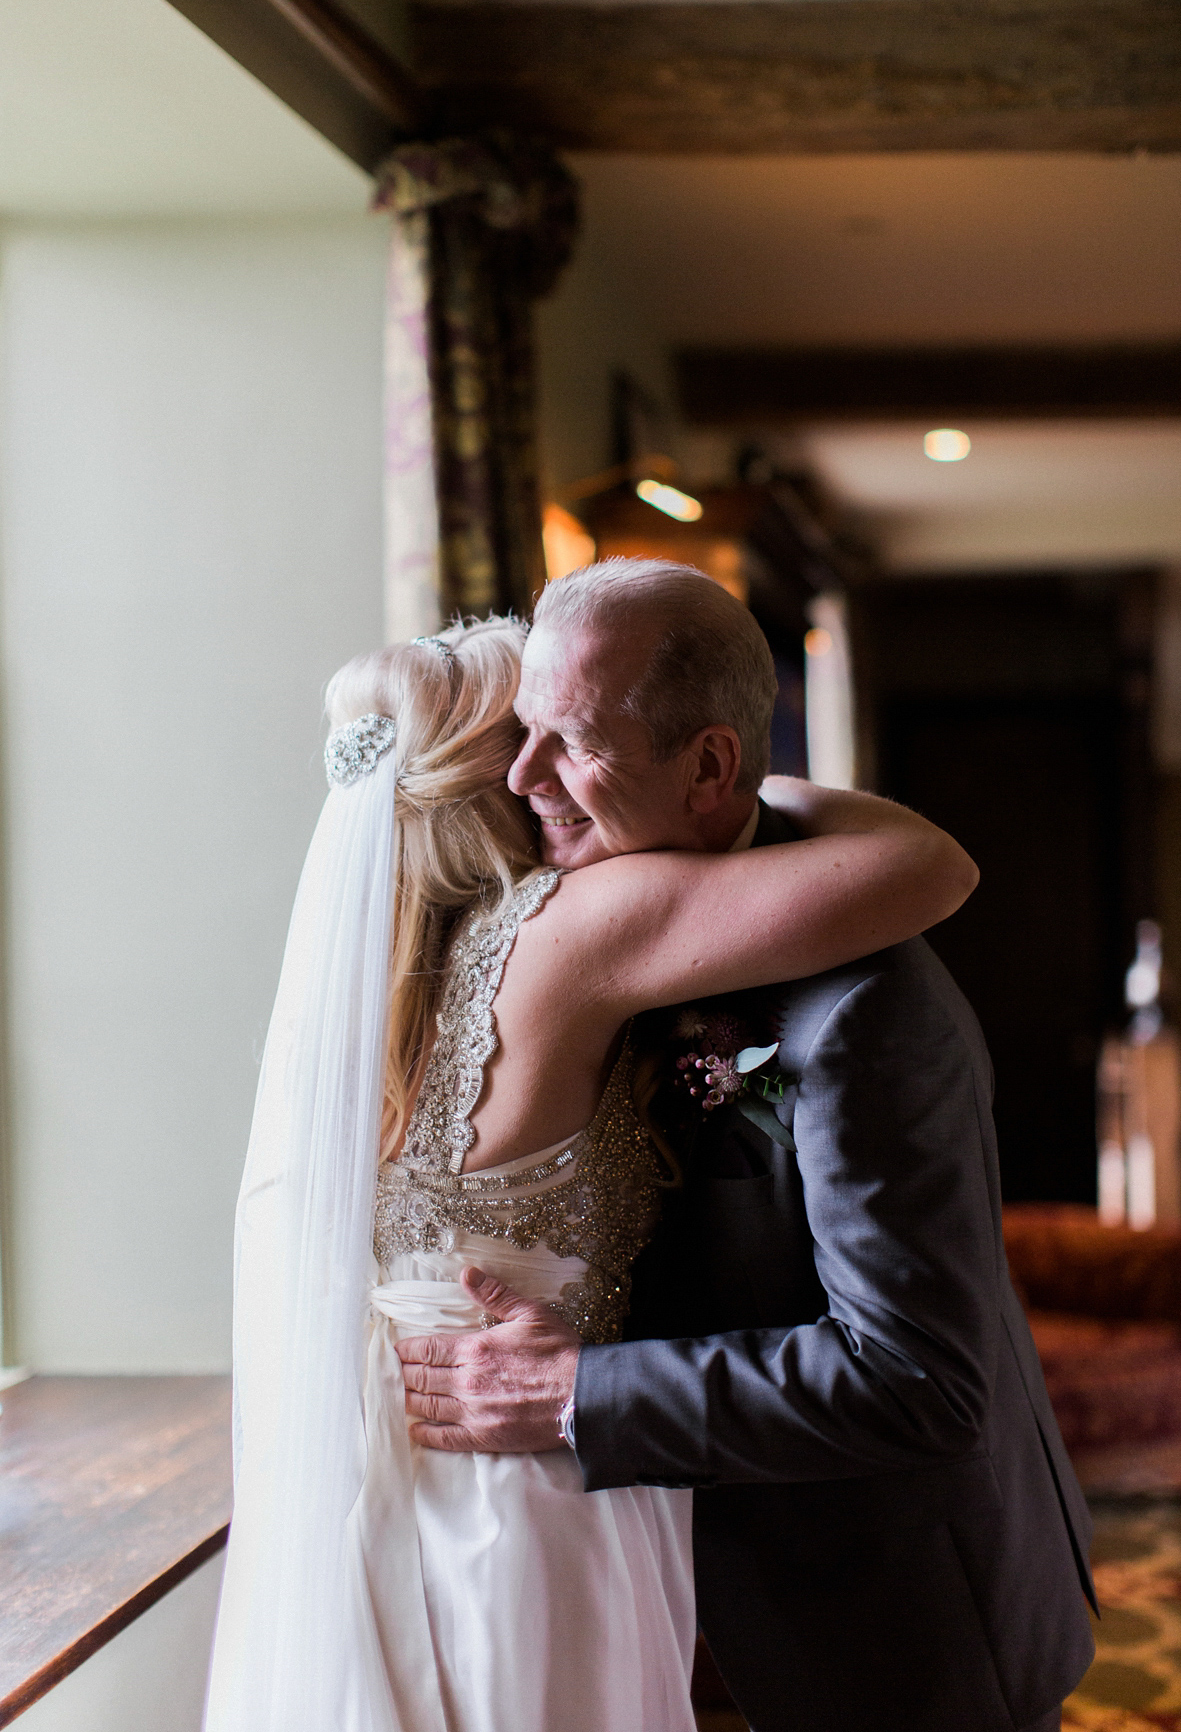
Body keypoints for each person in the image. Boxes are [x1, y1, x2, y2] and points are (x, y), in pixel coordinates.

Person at [204, 607, 978, 1732]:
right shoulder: (567, 931)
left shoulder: (363, 981)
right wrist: (750, 790)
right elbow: (930, 863)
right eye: (527, 734)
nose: (541, 765)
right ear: (495, 780)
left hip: (374, 1489)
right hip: (520, 1494)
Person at [396, 560, 1098, 1732]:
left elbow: (917, 1381)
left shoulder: (865, 1014)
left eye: (568, 740)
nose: (524, 781)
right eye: (522, 733)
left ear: (714, 766)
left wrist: (576, 1393)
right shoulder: (582, 917)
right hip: (662, 1589)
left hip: (881, 1623)